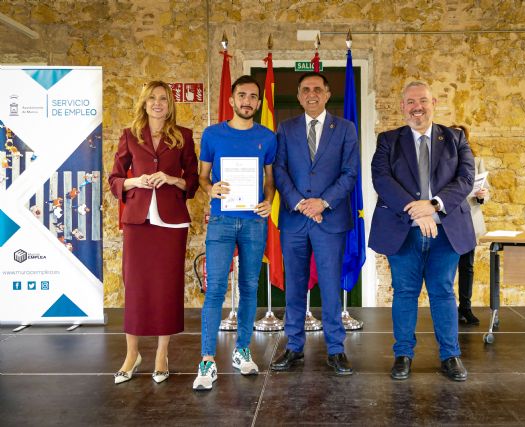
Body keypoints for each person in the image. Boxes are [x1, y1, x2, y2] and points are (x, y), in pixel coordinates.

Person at [369, 81, 475, 382]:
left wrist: (433, 205)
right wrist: (416, 210)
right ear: (403, 107)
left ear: (434, 103)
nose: (417, 107)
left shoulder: (455, 138)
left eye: (423, 101)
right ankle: (403, 355)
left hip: (446, 233)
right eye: (411, 102)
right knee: (405, 293)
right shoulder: (388, 140)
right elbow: (382, 179)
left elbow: (466, 178)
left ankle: (450, 356)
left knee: (443, 291)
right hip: (404, 233)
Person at [109, 80, 198, 384]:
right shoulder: (130, 135)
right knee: (134, 285)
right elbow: (115, 179)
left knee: (166, 286)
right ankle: (132, 354)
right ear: (144, 104)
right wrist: (136, 181)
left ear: (170, 104)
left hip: (171, 222)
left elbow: (192, 181)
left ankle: (162, 354)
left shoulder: (183, 136)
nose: (158, 103)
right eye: (152, 99)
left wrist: (170, 179)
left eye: (163, 98)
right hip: (138, 220)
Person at [271, 72, 359, 375]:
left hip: (329, 218)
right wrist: (299, 202)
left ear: (327, 94)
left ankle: (336, 349)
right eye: (306, 89)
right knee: (295, 285)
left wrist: (322, 202)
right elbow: (279, 170)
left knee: (331, 285)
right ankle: (293, 346)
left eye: (317, 89)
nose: (312, 94)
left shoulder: (345, 128)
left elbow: (350, 172)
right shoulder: (285, 128)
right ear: (298, 96)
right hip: (295, 219)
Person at [192, 75, 276, 391]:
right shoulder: (213, 134)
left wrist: (268, 201)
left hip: (254, 221)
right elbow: (202, 177)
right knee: (215, 288)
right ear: (231, 99)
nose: (247, 101)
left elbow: (270, 180)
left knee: (249, 286)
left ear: (259, 102)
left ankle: (242, 350)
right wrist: (210, 189)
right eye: (242, 95)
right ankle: (207, 359)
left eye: (253, 96)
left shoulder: (267, 137)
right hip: (222, 221)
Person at [451, 124, 490, 326]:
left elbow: (487, 192)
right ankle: (448, 309)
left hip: (469, 220)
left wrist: (482, 195)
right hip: (448, 221)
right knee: (446, 267)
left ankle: (465, 307)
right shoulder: (441, 161)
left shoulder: (477, 161)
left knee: (467, 266)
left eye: (461, 136)